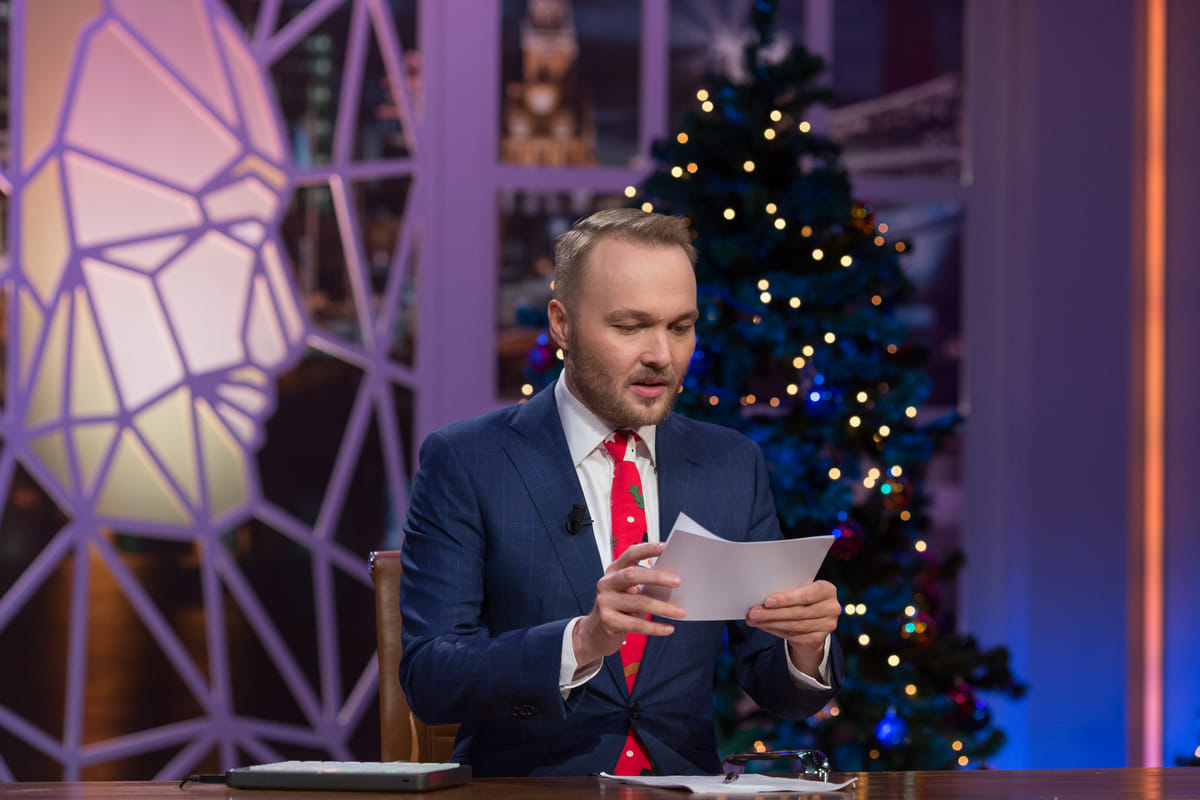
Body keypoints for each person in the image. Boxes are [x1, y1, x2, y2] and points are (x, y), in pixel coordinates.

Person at [398, 208, 843, 777]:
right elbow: (431, 678)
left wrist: (805, 645)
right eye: (631, 327)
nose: (662, 355)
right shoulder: (468, 460)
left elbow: (778, 689)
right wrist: (582, 641)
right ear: (562, 324)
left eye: (680, 327)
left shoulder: (731, 464)